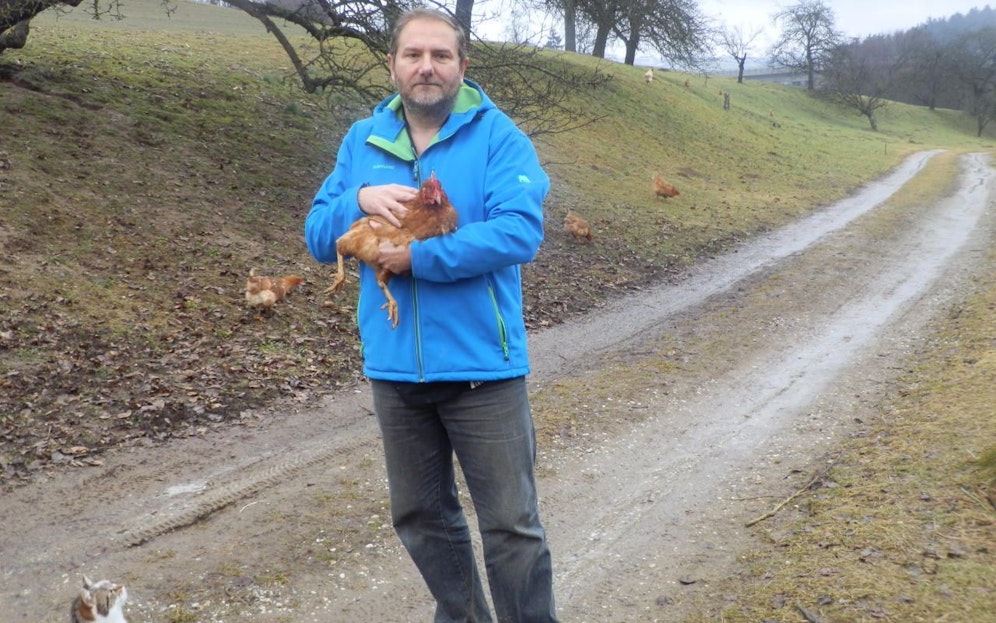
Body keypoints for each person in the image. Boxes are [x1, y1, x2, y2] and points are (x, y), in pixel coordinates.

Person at [304, 8, 559, 623]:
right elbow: (316, 236)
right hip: (395, 371)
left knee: (511, 527)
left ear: (461, 66)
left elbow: (518, 232)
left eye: (441, 55)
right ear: (392, 65)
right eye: (413, 55)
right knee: (421, 518)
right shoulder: (362, 140)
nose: (426, 67)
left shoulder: (498, 137)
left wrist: (421, 259)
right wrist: (357, 198)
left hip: (482, 369)